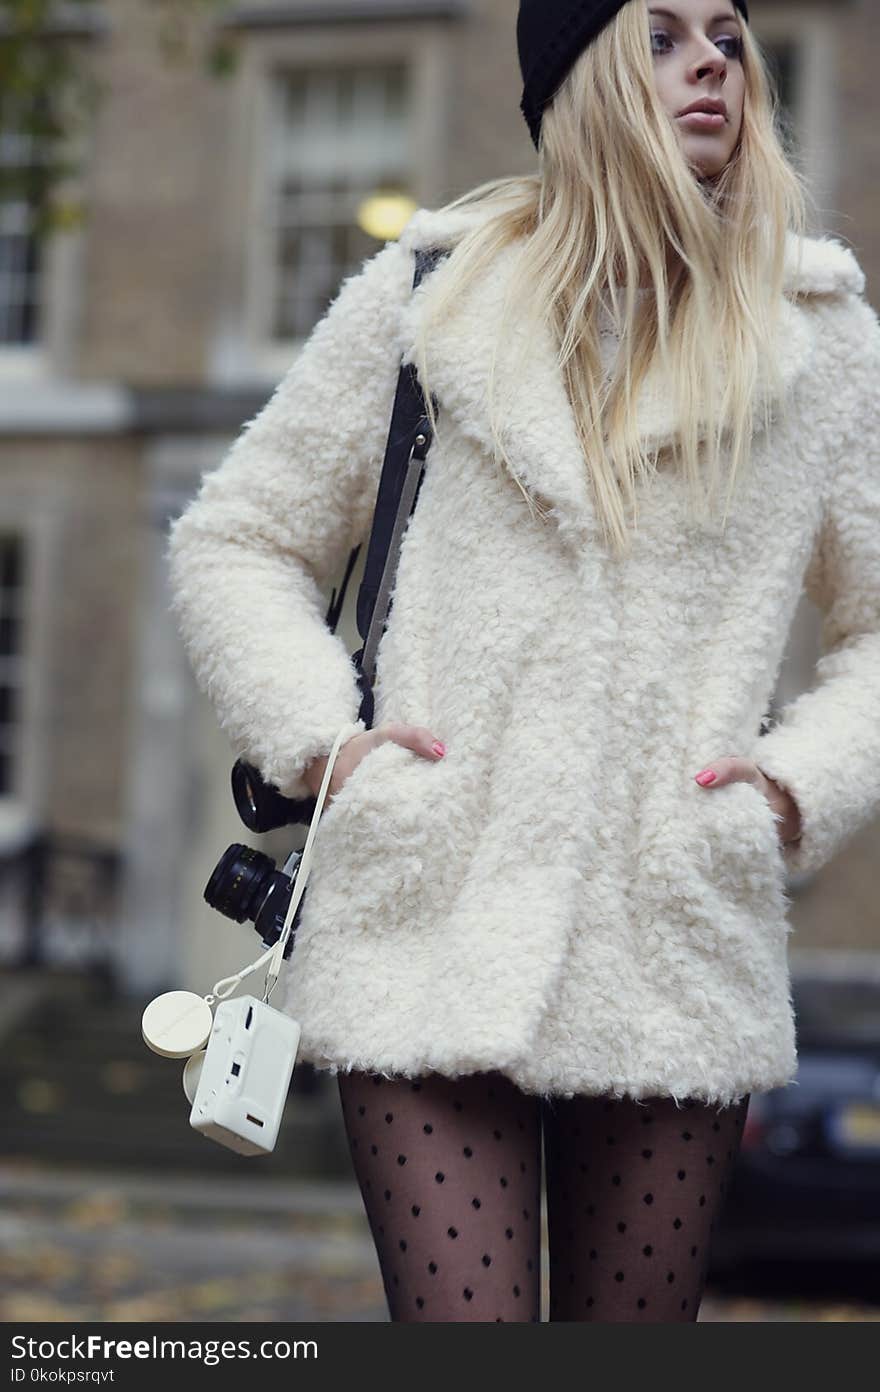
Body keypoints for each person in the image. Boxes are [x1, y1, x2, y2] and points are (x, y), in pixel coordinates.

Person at [165, 0, 880, 1321]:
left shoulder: (823, 340)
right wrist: (324, 742)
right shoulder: (430, 295)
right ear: (580, 78)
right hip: (428, 913)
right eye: (660, 36)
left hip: (675, 932)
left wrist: (786, 793)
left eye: (726, 33)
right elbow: (237, 536)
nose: (712, 60)